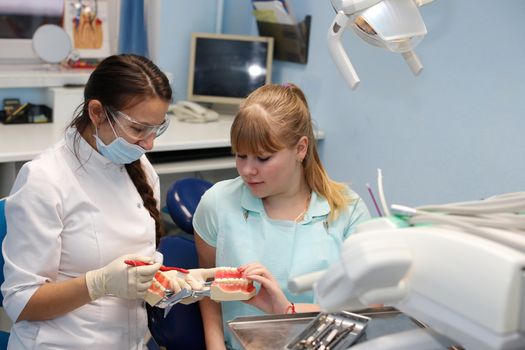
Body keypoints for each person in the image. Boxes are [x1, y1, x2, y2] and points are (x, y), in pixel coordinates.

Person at [0, 54, 187, 349]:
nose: (149, 144)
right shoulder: (45, 179)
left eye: (156, 129)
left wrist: (169, 280)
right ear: (97, 112)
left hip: (131, 341)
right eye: (138, 129)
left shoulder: (140, 166)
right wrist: (97, 284)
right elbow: (21, 303)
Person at [193, 83, 371, 349]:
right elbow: (207, 290)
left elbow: (369, 306)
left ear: (300, 149)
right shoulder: (218, 203)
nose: (248, 170)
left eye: (263, 158)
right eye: (240, 156)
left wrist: (287, 310)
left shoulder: (347, 210)